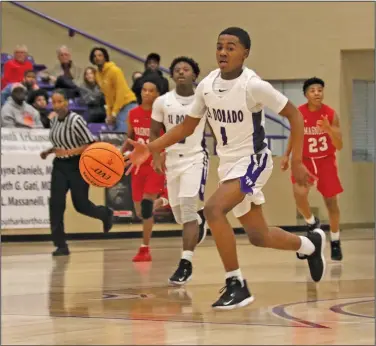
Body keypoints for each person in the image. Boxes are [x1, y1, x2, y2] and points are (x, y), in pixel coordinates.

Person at [124, 27, 326, 310]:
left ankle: (237, 283)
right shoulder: (206, 85)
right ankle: (311, 245)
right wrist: (152, 147)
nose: (223, 51)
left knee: (213, 210)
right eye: (220, 46)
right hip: (229, 164)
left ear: (245, 53)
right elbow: (186, 126)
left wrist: (297, 160)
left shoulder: (253, 85)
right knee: (259, 236)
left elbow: (294, 115)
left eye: (231, 47)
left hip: (254, 160)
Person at [150, 56, 209, 285]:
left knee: (186, 207)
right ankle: (200, 219)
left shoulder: (203, 100)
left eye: (186, 69)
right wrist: (157, 154)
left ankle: (186, 263)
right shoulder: (162, 102)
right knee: (179, 216)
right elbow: (154, 131)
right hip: (172, 161)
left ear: (195, 75)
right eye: (176, 69)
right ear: (172, 75)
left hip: (195, 157)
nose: (181, 72)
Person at [40, 89, 113, 256]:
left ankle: (105, 213)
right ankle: (61, 245)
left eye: (60, 102)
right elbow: (60, 143)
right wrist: (49, 151)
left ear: (66, 102)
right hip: (59, 165)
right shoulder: (53, 121)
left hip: (77, 165)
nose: (57, 105)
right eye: (54, 102)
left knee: (80, 205)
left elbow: (91, 143)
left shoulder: (76, 120)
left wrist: (70, 151)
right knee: (56, 204)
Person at [281, 77, 343, 261]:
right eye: (313, 90)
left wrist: (328, 129)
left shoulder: (331, 114)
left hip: (325, 161)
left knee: (331, 203)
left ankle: (335, 240)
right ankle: (311, 222)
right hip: (305, 160)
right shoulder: (299, 113)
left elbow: (339, 145)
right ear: (306, 94)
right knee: (299, 195)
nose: (317, 93)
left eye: (319, 90)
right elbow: (294, 136)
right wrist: (287, 155)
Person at [120, 76, 165, 262]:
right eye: (144, 90)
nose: (146, 93)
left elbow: (171, 138)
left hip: (155, 165)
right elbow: (130, 138)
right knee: (139, 212)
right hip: (138, 165)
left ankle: (144, 248)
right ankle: (163, 201)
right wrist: (118, 154)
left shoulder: (163, 115)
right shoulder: (133, 114)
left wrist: (163, 156)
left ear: (158, 94)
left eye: (151, 90)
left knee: (146, 208)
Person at [90, 47, 137, 133]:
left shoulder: (115, 70)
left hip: (128, 104)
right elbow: (107, 96)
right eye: (95, 56)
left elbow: (120, 92)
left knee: (122, 133)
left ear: (105, 57)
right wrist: (109, 114)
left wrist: (114, 113)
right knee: (114, 134)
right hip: (116, 108)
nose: (97, 57)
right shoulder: (97, 75)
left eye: (100, 55)